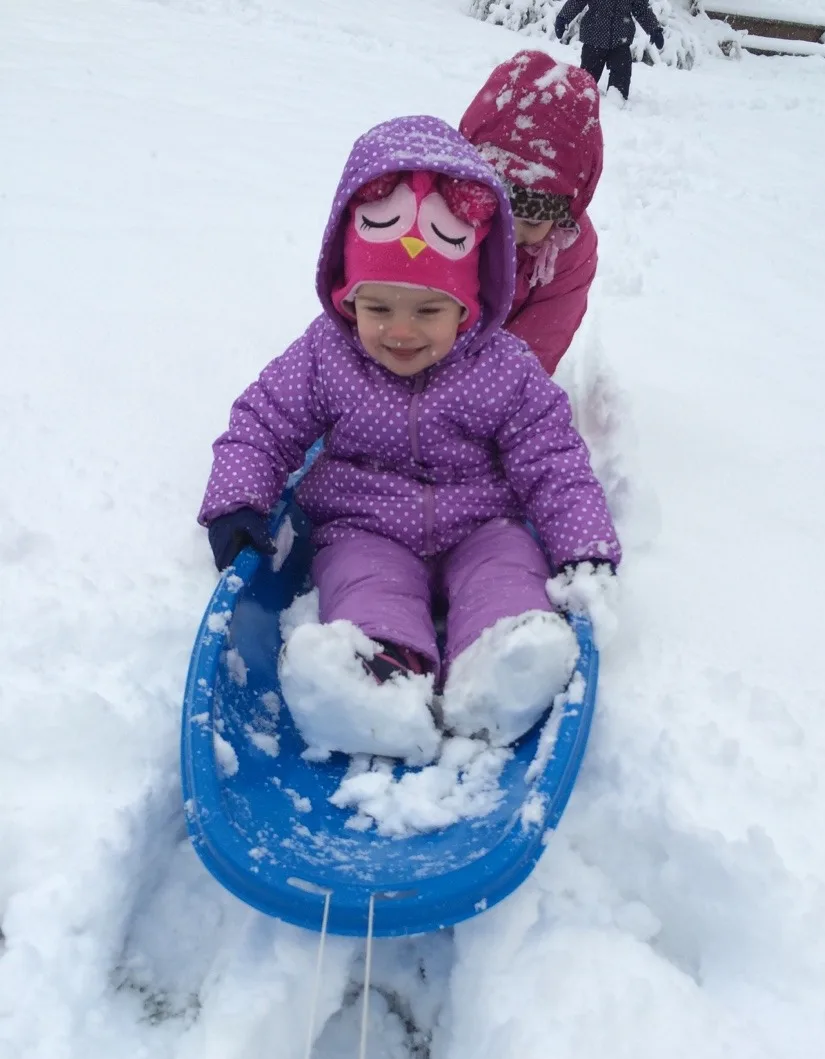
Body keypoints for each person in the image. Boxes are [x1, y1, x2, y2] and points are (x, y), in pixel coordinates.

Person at [198, 116, 621, 766]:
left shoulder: (501, 366)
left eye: (427, 311)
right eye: (378, 309)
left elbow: (551, 457)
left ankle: (497, 668)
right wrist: (236, 500)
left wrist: (582, 546)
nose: (401, 332)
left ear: (468, 307)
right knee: (367, 588)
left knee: (507, 574)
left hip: (482, 522)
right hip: (363, 528)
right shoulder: (325, 356)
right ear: (347, 300)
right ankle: (378, 688)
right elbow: (264, 421)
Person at [459, 50, 603, 377]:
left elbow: (541, 340)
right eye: (495, 212)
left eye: (532, 220)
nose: (508, 234)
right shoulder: (438, 211)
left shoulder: (570, 251)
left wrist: (486, 394)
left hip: (497, 380)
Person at [554, 0, 665, 103]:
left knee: (620, 85)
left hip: (621, 40)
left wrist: (654, 28)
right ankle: (579, 105)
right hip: (594, 38)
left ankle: (617, 110)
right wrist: (563, 17)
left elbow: (641, 8)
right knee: (586, 83)